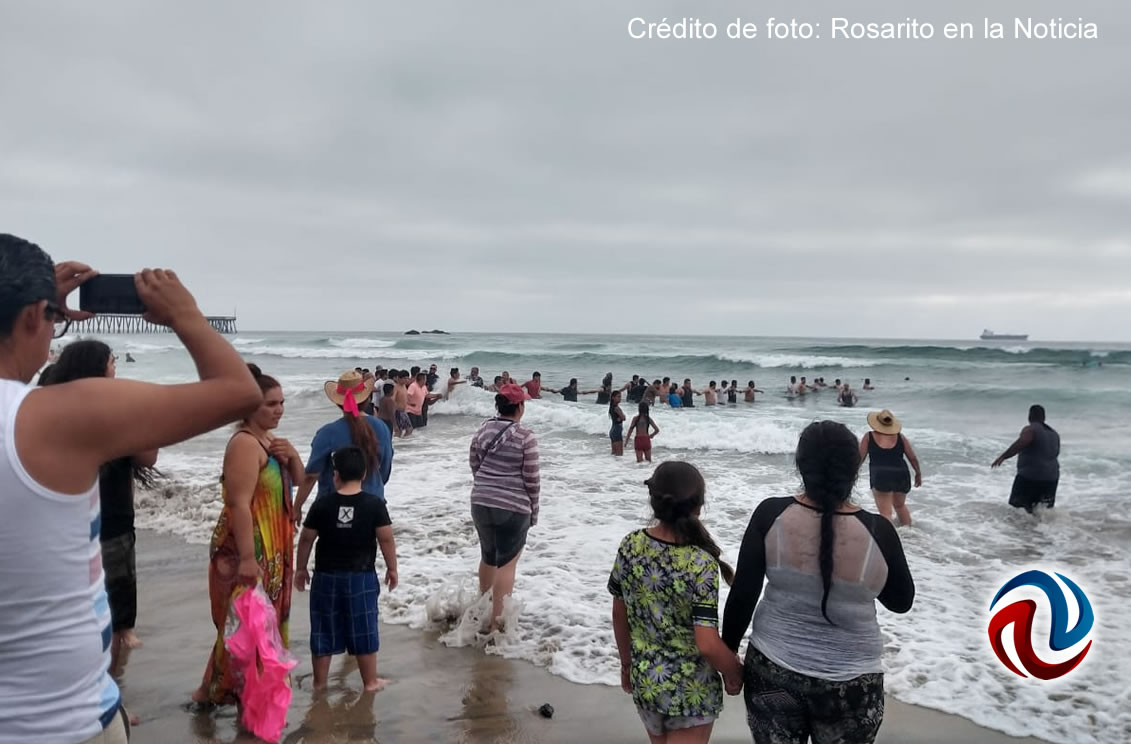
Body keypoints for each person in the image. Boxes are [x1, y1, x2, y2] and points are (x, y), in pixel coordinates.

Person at [1, 235, 262, 743]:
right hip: (61, 724)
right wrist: (187, 316)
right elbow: (238, 391)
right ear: (37, 316)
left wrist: (35, 309)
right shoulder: (56, 419)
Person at [722, 421, 915, 744]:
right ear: (855, 468)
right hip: (853, 682)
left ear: (800, 464)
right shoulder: (878, 532)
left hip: (772, 669)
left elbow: (743, 594)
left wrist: (728, 658)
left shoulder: (770, 514)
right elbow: (901, 601)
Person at [43, 340, 160, 667]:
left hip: (63, 519)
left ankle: (94, 691)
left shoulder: (52, 405)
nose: (115, 367)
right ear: (97, 367)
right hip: (109, 519)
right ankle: (107, 697)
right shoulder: (113, 410)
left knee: (75, 610)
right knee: (108, 605)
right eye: (111, 361)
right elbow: (148, 457)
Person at [194, 364, 305, 706]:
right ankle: (214, 694)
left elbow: (299, 481)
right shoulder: (244, 444)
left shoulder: (270, 441)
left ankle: (249, 691)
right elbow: (239, 504)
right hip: (246, 549)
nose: (279, 410)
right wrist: (246, 558)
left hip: (272, 546)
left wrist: (293, 456)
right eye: (271, 404)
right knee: (241, 627)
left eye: (282, 403)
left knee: (260, 624)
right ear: (248, 407)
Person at [609, 462, 742, 744]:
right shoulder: (700, 563)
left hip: (646, 681)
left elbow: (619, 613)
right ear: (698, 507)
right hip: (690, 691)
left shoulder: (630, 545)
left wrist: (626, 665)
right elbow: (706, 642)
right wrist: (733, 670)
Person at [294, 446, 398, 692]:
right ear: (364, 475)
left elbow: (307, 538)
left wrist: (301, 568)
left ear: (335, 475)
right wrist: (392, 568)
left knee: (323, 628)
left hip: (326, 577)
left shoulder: (323, 504)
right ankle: (370, 682)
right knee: (364, 628)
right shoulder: (373, 504)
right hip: (360, 577)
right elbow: (386, 538)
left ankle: (319, 683)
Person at [469, 384, 540, 632]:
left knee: (488, 556)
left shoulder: (484, 429)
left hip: (480, 501)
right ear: (519, 407)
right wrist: (534, 509)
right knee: (507, 564)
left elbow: (474, 461)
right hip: (513, 507)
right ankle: (497, 625)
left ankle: (480, 609)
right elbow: (531, 478)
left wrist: (487, 486)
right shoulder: (525, 436)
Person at [294, 369, 395, 524]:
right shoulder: (381, 427)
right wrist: (373, 485)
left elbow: (311, 476)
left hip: (333, 506)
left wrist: (297, 507)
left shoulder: (327, 433)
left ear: (337, 402)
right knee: (367, 547)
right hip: (373, 503)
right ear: (367, 398)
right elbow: (385, 467)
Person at [992, 405, 1060, 514]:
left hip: (1030, 477)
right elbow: (1055, 453)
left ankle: (1019, 531)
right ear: (1044, 417)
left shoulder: (1031, 429)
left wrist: (1004, 456)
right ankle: (1043, 531)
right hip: (1051, 479)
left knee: (1018, 510)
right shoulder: (1054, 434)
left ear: (1030, 416)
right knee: (1043, 513)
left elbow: (1023, 441)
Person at [858, 410, 921, 526]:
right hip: (901, 474)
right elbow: (912, 457)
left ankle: (889, 540)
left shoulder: (869, 436)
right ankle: (910, 534)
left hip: (881, 475)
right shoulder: (900, 437)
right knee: (900, 506)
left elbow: (860, 458)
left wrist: (852, 473)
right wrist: (918, 473)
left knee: (885, 513)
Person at [609, 389, 626, 456]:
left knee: (614, 453)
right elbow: (624, 418)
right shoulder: (617, 408)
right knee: (619, 454)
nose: (620, 398)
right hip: (617, 430)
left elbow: (620, 418)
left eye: (620, 397)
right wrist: (621, 417)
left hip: (613, 429)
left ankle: (613, 466)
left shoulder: (611, 407)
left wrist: (620, 418)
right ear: (613, 397)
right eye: (618, 397)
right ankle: (618, 466)